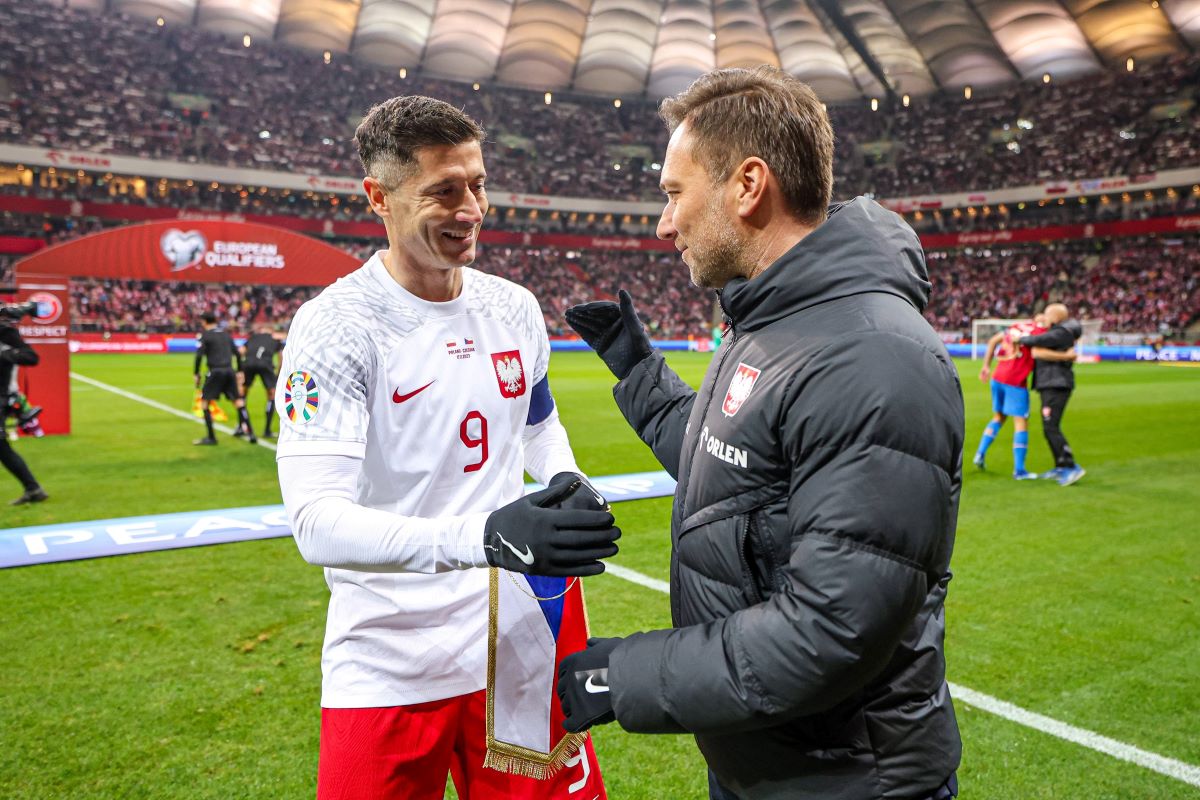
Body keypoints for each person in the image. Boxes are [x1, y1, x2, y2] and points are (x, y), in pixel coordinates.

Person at [559, 66, 962, 800]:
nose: (663, 223)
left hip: (846, 783)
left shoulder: (874, 356)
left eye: (675, 194)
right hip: (771, 762)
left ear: (747, 186)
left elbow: (831, 631)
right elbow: (734, 475)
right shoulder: (771, 323)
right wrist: (639, 372)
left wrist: (627, 675)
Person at [274, 96, 617, 800]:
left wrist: (568, 480)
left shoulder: (513, 306)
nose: (471, 208)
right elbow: (315, 522)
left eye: (479, 184)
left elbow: (537, 426)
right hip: (391, 658)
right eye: (443, 190)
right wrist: (485, 537)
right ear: (380, 197)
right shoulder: (334, 327)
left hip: (519, 639)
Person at [972, 314, 1047, 479]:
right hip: (1015, 380)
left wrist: (986, 366)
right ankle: (1019, 470)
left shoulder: (1017, 326)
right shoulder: (1041, 332)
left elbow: (993, 340)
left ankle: (980, 453)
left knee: (999, 417)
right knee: (1020, 422)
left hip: (998, 377)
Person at [1018, 303, 1085, 485]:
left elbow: (1032, 342)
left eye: (1047, 314)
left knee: (1051, 427)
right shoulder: (1059, 333)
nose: (1043, 317)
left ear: (1055, 317)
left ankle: (1071, 467)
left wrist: (1022, 337)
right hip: (1051, 384)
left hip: (1056, 384)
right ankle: (1061, 466)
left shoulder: (1061, 332)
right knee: (1049, 428)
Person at [0, 306, 47, 504]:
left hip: (1, 397)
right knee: (2, 448)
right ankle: (33, 489)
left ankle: (33, 488)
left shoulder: (5, 333)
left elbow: (31, 357)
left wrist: (5, 357)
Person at [193, 313, 255, 445]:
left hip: (215, 371)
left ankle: (211, 437)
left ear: (204, 322)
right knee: (239, 402)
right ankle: (251, 434)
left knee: (205, 403)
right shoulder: (226, 335)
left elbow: (199, 356)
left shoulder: (205, 335)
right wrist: (239, 371)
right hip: (229, 371)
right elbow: (237, 354)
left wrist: (196, 374)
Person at [238, 322, 283, 438]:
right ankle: (267, 430)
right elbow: (281, 356)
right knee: (271, 395)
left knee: (242, 394)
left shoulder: (253, 337)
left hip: (248, 364)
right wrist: (279, 373)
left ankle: (241, 426)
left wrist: (240, 369)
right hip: (265, 365)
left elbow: (240, 351)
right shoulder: (275, 340)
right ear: (271, 330)